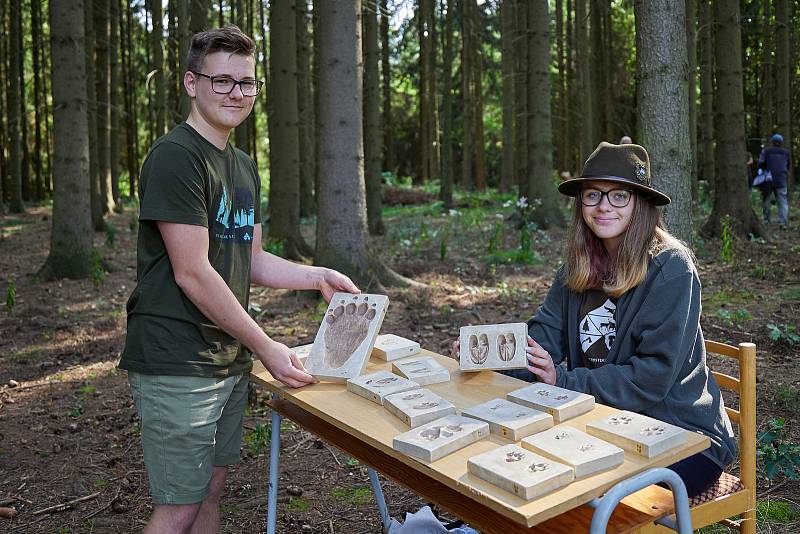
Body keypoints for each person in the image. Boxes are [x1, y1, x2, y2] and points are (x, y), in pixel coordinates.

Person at [119, 26, 359, 534]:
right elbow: (193, 273)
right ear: (191, 83)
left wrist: (316, 275)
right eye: (222, 80)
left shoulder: (244, 167)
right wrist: (269, 347)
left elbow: (249, 259)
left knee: (210, 490)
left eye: (246, 83)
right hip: (176, 357)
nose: (236, 93)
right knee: (178, 506)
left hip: (225, 355)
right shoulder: (176, 157)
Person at [456, 142, 737, 498]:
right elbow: (542, 339)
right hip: (598, 420)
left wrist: (563, 380)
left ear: (640, 203)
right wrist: (481, 354)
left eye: (618, 196)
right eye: (592, 195)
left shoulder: (671, 268)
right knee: (505, 457)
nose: (603, 206)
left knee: (561, 481)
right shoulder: (576, 269)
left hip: (681, 436)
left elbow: (652, 378)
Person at [758, 133, 792, 227]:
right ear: (781, 142)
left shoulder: (766, 151)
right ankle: (783, 223)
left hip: (768, 179)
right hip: (781, 179)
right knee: (782, 201)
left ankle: (767, 220)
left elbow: (761, 164)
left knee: (766, 199)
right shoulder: (786, 152)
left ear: (772, 142)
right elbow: (788, 165)